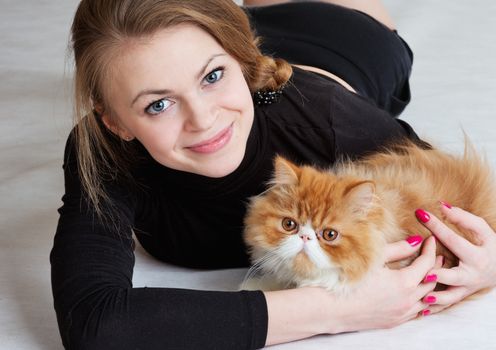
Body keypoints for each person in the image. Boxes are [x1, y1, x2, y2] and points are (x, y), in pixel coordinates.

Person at [50, 0, 496, 349]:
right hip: (235, 33)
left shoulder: (327, 123)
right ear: (115, 123)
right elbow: (95, 324)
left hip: (343, 35)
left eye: (213, 77)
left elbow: (461, 188)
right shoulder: (103, 152)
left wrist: (490, 261)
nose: (203, 120)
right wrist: (332, 310)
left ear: (243, 61)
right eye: (158, 104)